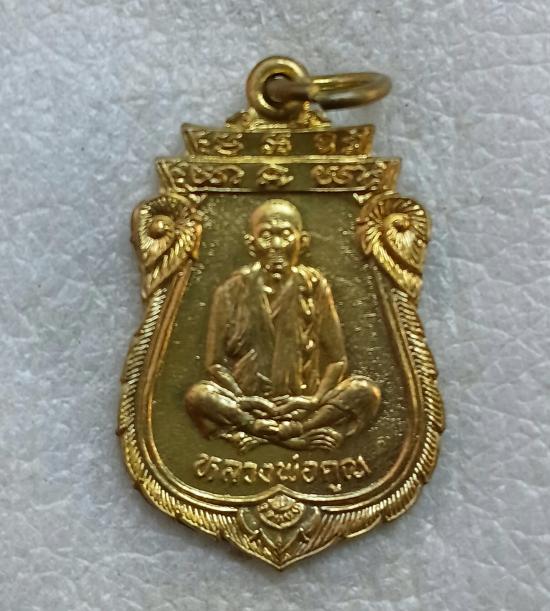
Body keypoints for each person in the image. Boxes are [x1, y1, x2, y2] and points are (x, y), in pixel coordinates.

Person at [185, 199, 381, 451]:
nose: (276, 245)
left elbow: (337, 361)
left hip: (304, 407)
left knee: (365, 391)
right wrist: (243, 400)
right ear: (251, 244)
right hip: (249, 406)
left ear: (303, 241)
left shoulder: (315, 286)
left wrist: (313, 400)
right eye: (266, 236)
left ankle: (285, 431)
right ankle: (274, 432)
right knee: (198, 395)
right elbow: (214, 364)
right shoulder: (230, 290)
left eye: (285, 235)